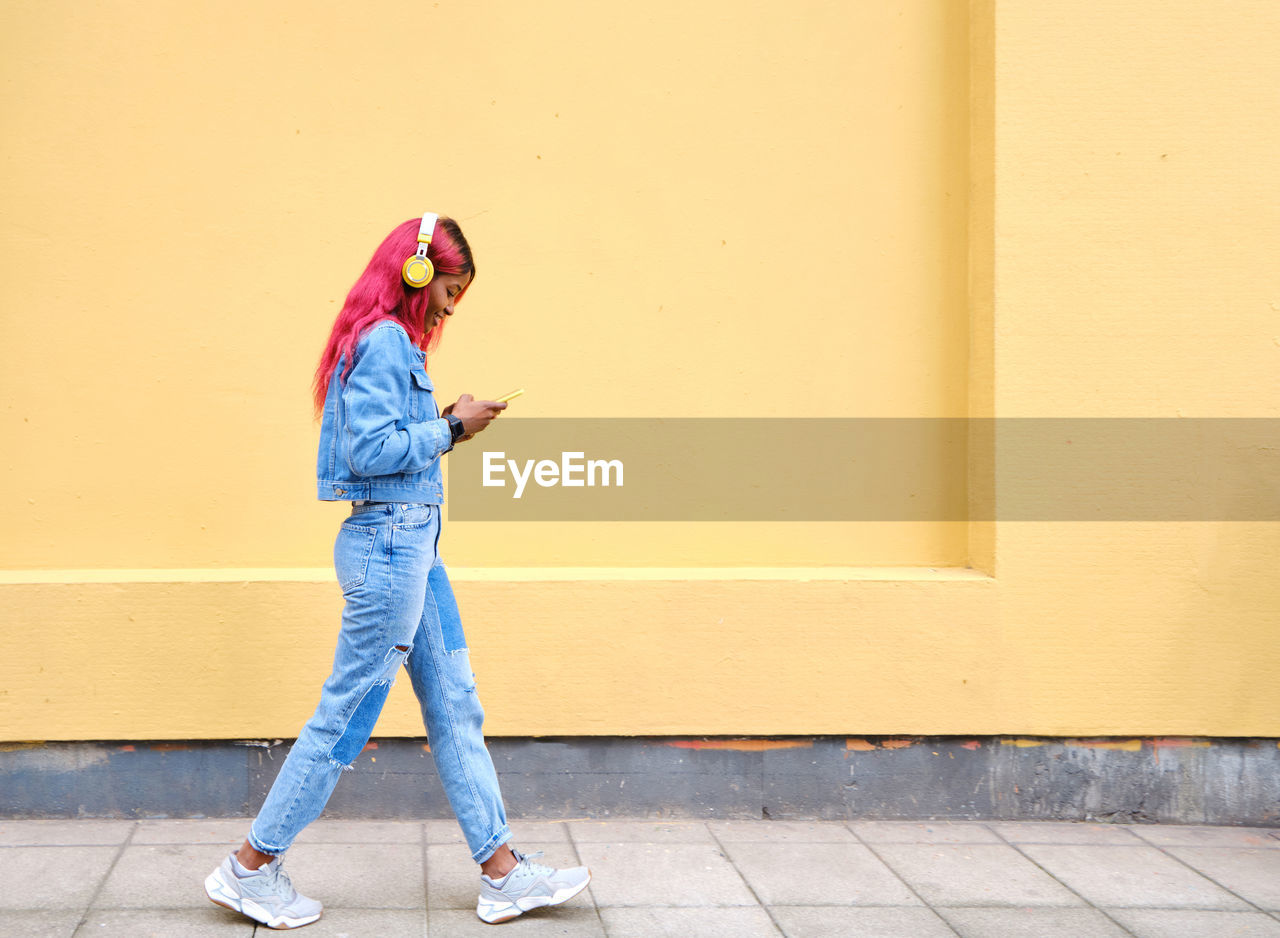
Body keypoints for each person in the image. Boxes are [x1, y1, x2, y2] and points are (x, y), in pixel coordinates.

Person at [204, 213, 591, 929]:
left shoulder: (389, 343)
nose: (451, 305)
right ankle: (249, 867)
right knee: (344, 716)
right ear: (417, 273)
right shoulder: (384, 341)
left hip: (414, 548)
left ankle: (502, 873)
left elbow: (384, 442)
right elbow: (372, 450)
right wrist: (451, 429)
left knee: (455, 706)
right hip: (390, 549)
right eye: (449, 288)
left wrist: (443, 419)